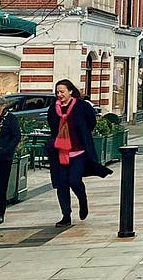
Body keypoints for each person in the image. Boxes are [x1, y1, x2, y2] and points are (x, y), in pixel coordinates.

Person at [47, 78, 112, 226]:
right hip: (60, 152)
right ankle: (66, 215)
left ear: (70, 91)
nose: (59, 95)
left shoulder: (82, 106)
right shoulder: (53, 109)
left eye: (62, 91)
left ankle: (83, 201)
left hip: (78, 152)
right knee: (62, 184)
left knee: (74, 180)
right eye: (57, 92)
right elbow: (52, 127)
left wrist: (81, 134)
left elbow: (91, 122)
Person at [0, 94, 22, 225]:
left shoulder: (10, 119)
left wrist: (7, 149)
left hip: (4, 158)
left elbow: (16, 135)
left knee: (0, 186)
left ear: (2, 106)